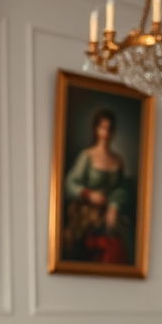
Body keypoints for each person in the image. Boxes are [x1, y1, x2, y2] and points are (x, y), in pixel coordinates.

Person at [63, 107, 133, 264]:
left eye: (109, 129)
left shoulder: (117, 160)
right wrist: (89, 194)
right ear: (96, 129)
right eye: (102, 128)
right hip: (86, 210)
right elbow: (70, 183)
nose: (106, 133)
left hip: (110, 211)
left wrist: (114, 205)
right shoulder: (87, 156)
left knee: (121, 242)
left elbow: (121, 188)